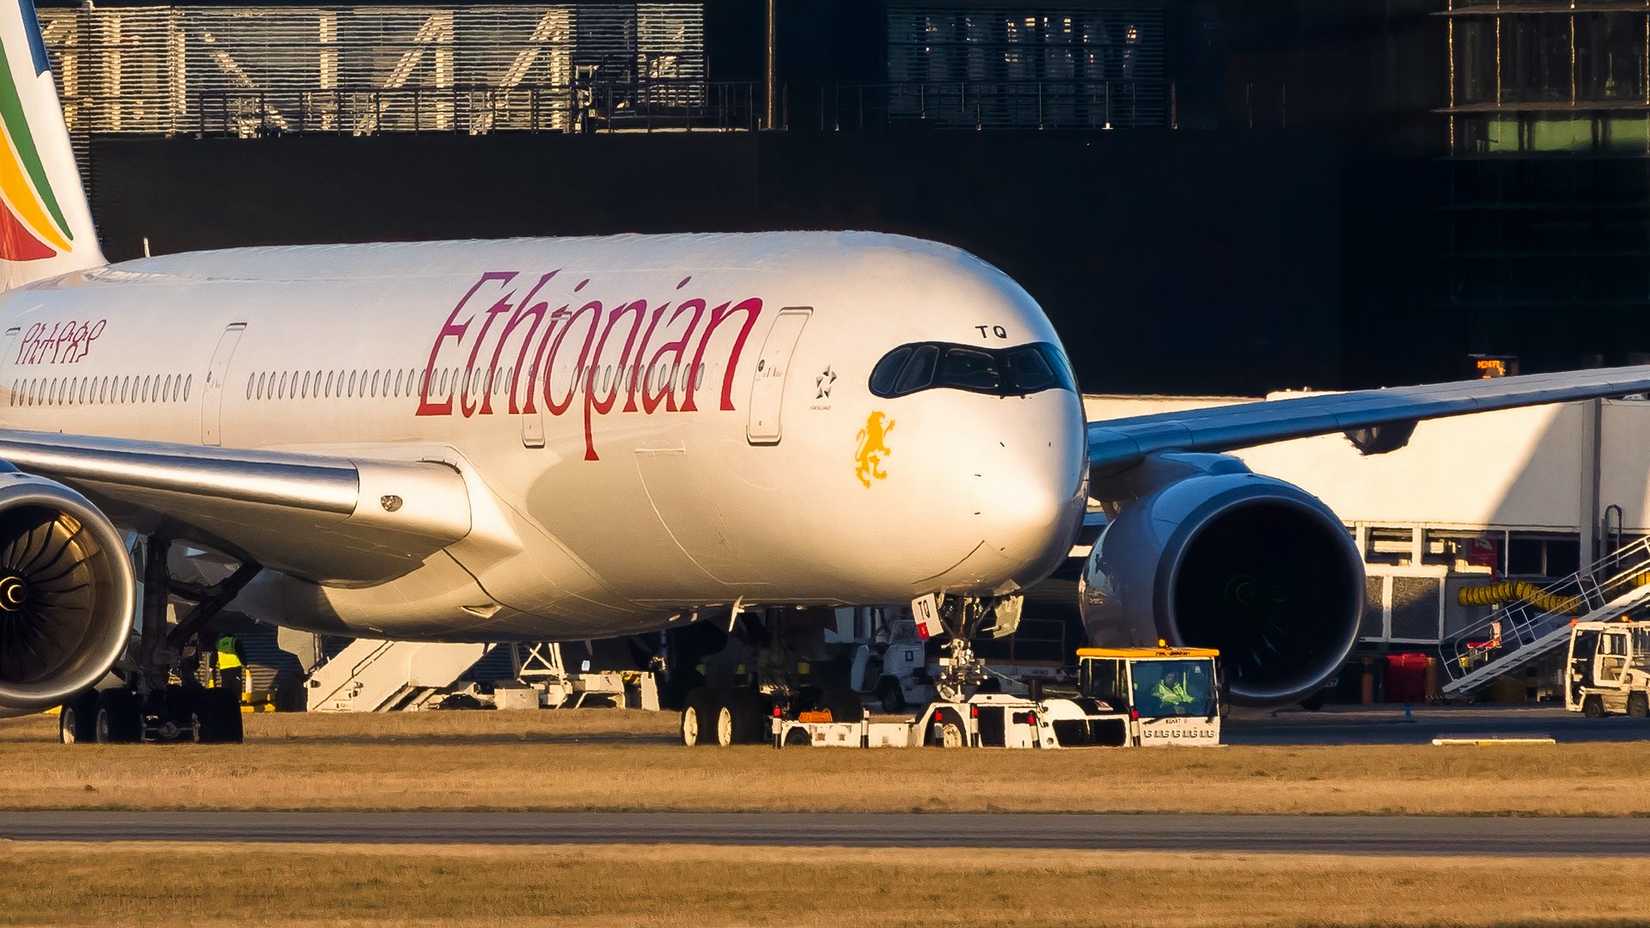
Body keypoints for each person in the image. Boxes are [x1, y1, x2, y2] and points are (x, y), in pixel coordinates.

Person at [215, 631, 244, 701]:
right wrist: (245, 663)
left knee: (226, 685)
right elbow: (241, 653)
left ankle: (226, 700)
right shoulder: (235, 641)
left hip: (224, 668)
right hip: (235, 667)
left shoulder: (218, 643)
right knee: (236, 685)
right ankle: (237, 700)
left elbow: (214, 655)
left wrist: (211, 665)